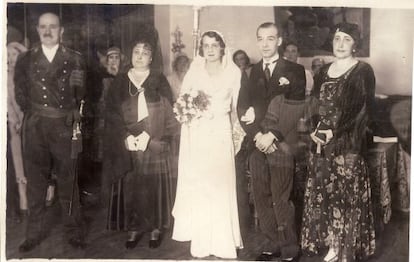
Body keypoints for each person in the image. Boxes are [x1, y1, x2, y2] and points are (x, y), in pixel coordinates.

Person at [301, 22, 376, 262]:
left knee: (344, 195)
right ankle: (328, 242)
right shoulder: (323, 71)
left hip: (346, 143)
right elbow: (312, 104)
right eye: (337, 39)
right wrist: (314, 128)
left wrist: (336, 132)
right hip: (321, 144)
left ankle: (343, 248)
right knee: (324, 192)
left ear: (355, 44)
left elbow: (362, 110)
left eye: (346, 39)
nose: (340, 44)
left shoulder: (363, 70)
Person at [14, 12, 87, 252]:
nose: (47, 31)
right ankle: (33, 234)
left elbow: (80, 94)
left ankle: (74, 232)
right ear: (37, 30)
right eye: (43, 27)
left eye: (52, 27)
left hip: (63, 125)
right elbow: (21, 93)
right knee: (36, 184)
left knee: (69, 182)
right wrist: (36, 114)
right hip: (35, 126)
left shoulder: (75, 59)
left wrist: (66, 116)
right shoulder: (25, 59)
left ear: (61, 31)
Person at [237, 22, 306, 261]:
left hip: (282, 142)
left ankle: (289, 248)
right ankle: (272, 242)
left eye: (270, 38)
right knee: (261, 194)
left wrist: (272, 135)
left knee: (281, 196)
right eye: (261, 39)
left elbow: (296, 108)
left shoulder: (295, 71)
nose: (265, 44)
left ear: (279, 41)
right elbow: (242, 108)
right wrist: (257, 135)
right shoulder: (250, 72)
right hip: (256, 144)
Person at [172, 30, 243, 259]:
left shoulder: (233, 72)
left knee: (221, 185)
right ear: (201, 48)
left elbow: (236, 108)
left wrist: (237, 135)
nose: (210, 49)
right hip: (200, 133)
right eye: (206, 45)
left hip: (221, 133)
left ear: (223, 47)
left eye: (214, 45)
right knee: (202, 186)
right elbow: (184, 100)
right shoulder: (195, 70)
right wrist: (189, 114)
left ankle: (223, 242)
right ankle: (202, 241)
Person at [104, 38, 177, 248]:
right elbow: (111, 114)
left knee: (153, 186)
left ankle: (155, 228)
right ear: (130, 55)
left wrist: (150, 136)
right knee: (132, 186)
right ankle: (134, 228)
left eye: (145, 53)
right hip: (127, 143)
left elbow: (168, 113)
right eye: (136, 52)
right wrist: (125, 136)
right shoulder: (120, 81)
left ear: (151, 58)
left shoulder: (159, 80)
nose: (140, 56)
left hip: (153, 141)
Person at [7, 41, 28, 221]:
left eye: (14, 55)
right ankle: (23, 203)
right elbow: (8, 104)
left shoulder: (27, 75)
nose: (10, 59)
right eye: (7, 55)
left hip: (31, 124)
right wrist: (15, 122)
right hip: (15, 128)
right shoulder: (5, 77)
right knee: (18, 163)